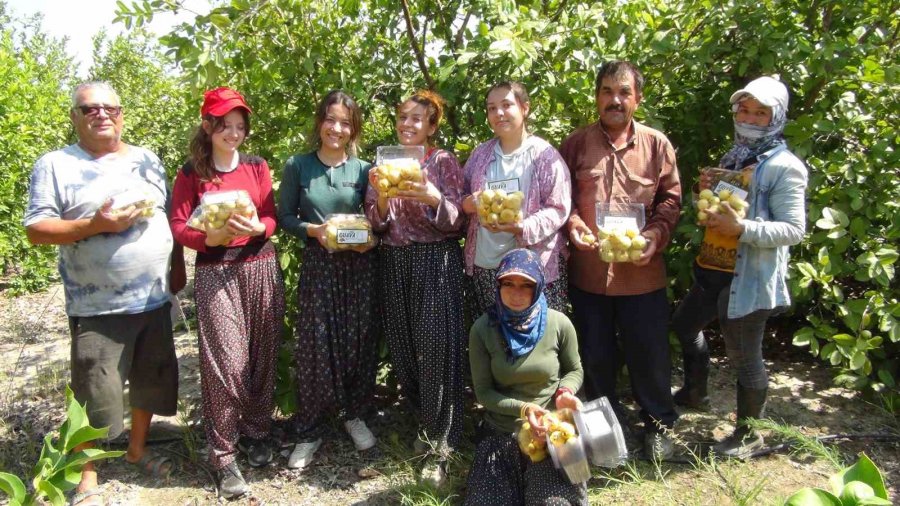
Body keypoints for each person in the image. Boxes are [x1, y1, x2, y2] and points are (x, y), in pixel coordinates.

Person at [23, 81, 185, 506]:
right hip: (97, 303)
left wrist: (177, 268)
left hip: (153, 297)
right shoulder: (56, 164)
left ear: (122, 113)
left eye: (109, 108)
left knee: (150, 382)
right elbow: (37, 229)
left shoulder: (146, 160)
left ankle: (136, 450)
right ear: (75, 117)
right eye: (89, 109)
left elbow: (165, 217)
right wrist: (97, 225)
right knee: (95, 391)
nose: (101, 115)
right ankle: (85, 474)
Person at [670, 76, 807, 457]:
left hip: (748, 278)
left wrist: (741, 228)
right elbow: (725, 206)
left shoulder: (785, 167)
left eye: (760, 112)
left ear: (776, 117)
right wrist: (704, 192)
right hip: (713, 267)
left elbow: (794, 229)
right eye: (744, 109)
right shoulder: (738, 156)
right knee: (684, 324)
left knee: (745, 357)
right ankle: (696, 391)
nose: (749, 117)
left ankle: (749, 434)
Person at [560, 61, 681, 458]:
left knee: (649, 355)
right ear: (596, 96)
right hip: (589, 273)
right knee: (594, 357)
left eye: (624, 92)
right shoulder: (576, 144)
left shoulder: (656, 144)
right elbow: (563, 202)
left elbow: (670, 200)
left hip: (641, 274)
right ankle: (603, 432)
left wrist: (655, 236)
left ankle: (659, 425)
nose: (615, 100)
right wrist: (574, 222)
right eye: (607, 91)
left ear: (637, 98)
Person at [169, 87, 285, 498]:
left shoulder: (256, 166)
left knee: (261, 355)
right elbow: (180, 225)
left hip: (260, 266)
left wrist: (260, 229)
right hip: (217, 272)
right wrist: (211, 237)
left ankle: (255, 432)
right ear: (208, 125)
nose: (233, 133)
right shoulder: (191, 173)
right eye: (225, 125)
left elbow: (270, 215)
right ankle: (223, 454)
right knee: (227, 362)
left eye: (240, 126)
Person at [364, 90, 465, 487]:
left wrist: (431, 195)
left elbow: (457, 220)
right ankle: (424, 420)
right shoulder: (385, 162)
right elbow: (375, 222)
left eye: (417, 119)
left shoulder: (441, 162)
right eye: (403, 117)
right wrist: (384, 199)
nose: (408, 124)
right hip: (394, 261)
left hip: (434, 260)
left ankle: (441, 442)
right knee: (405, 348)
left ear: (431, 126)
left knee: (437, 349)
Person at [277, 90, 378, 469]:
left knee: (358, 343)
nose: (337, 128)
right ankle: (310, 430)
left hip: (359, 268)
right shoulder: (298, 166)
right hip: (319, 265)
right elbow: (284, 217)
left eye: (345, 122)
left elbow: (377, 219)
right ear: (320, 121)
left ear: (354, 129)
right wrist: (313, 231)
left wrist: (371, 239)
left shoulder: (366, 170)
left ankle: (355, 415)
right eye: (331, 119)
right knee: (315, 348)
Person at [465, 248, 586, 506]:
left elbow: (574, 370)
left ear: (539, 287)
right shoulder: (482, 329)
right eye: (508, 284)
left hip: (551, 432)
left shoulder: (559, 323)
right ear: (498, 285)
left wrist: (565, 392)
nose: (516, 293)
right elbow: (484, 393)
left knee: (554, 503)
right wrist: (524, 409)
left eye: (526, 285)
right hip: (503, 431)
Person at [461, 81, 571, 315]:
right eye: (491, 108)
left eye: (506, 105)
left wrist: (523, 227)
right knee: (494, 339)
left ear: (525, 108)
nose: (498, 113)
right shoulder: (481, 154)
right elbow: (460, 197)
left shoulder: (544, 155)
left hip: (529, 269)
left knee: (536, 341)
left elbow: (558, 208)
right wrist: (469, 203)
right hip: (486, 265)